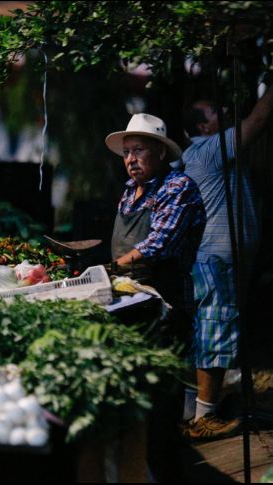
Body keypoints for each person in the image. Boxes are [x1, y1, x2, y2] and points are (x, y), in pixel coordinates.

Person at [105, 112, 206, 482]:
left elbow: (157, 244)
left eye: (140, 151)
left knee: (162, 399)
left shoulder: (179, 188)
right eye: (127, 152)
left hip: (166, 305)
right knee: (134, 393)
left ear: (161, 153)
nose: (131, 159)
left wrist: (115, 265)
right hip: (130, 301)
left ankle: (167, 473)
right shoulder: (130, 191)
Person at [180, 83, 273, 440]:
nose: (226, 114)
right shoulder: (209, 149)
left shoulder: (211, 152)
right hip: (217, 261)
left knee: (213, 330)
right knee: (215, 331)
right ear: (203, 127)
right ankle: (204, 418)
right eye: (217, 113)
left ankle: (195, 409)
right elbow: (259, 119)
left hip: (223, 261)